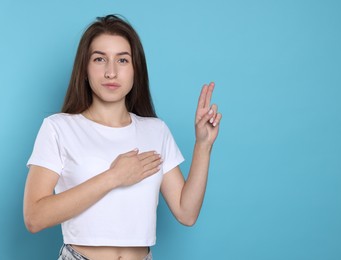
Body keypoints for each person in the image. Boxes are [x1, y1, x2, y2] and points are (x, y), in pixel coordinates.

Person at [23, 14, 221, 260]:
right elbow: (34, 217)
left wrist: (203, 145)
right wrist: (113, 177)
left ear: (136, 69)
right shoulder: (58, 128)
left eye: (123, 60)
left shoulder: (156, 131)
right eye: (99, 59)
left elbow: (186, 213)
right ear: (84, 69)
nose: (111, 72)